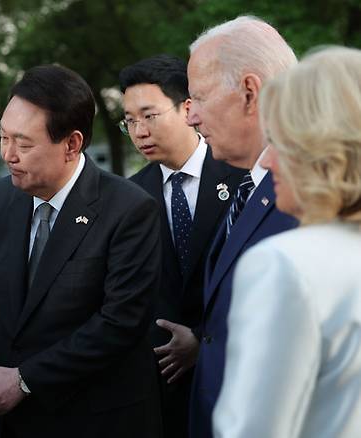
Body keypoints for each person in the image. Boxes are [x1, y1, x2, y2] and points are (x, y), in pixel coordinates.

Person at [0, 64, 162, 438]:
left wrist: (22, 381)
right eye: (3, 137)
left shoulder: (130, 210)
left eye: (23, 142)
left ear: (72, 144)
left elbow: (118, 324)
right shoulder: (1, 198)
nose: (8, 154)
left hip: (94, 420)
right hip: (10, 421)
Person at [214, 45, 361, 438]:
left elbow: (252, 429)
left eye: (281, 140)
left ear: (323, 149)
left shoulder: (286, 264)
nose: (266, 161)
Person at [185, 16, 299, 438]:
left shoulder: (307, 196)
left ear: (249, 93)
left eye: (198, 97)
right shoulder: (248, 184)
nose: (191, 116)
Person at [120, 54, 245, 438]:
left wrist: (202, 338)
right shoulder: (129, 195)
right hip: (159, 388)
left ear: (187, 107)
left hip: (233, 375)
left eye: (149, 115)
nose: (139, 130)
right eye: (129, 121)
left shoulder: (242, 180)